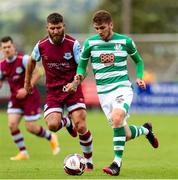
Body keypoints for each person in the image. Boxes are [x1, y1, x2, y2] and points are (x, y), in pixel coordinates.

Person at [66, 10, 159, 176]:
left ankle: (116, 164)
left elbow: (138, 61)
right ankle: (146, 130)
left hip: (122, 87)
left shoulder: (125, 41)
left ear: (111, 25)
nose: (99, 31)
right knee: (125, 134)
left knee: (117, 119)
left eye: (102, 27)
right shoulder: (90, 43)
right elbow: (82, 64)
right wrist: (79, 75)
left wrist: (139, 77)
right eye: (96, 28)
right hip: (103, 92)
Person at [24, 13, 93, 171]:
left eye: (58, 28)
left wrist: (75, 82)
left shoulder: (73, 44)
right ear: (47, 28)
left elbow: (84, 67)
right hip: (53, 92)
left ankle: (88, 162)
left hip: (72, 89)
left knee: (81, 126)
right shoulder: (40, 46)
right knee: (53, 125)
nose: (56, 31)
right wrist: (27, 82)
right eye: (52, 28)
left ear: (64, 27)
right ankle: (66, 122)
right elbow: (32, 61)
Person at [0, 36, 60, 160]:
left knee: (31, 127)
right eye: (4, 47)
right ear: (1, 49)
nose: (7, 49)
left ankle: (51, 137)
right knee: (12, 124)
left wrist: (26, 88)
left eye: (9, 47)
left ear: (13, 47)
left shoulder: (24, 59)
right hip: (15, 99)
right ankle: (23, 153)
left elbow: (38, 72)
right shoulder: (1, 65)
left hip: (30, 97)